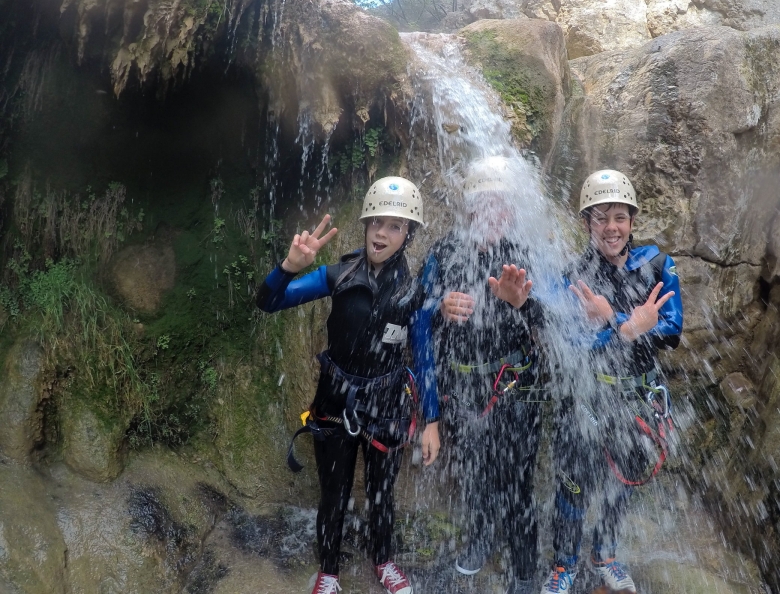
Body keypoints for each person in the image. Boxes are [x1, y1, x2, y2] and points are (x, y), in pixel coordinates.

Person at [255, 176, 441, 594]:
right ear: (365, 223)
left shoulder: (415, 292)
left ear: (408, 234)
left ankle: (384, 560)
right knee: (334, 492)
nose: (382, 233)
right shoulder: (336, 275)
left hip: (388, 404)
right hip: (336, 400)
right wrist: (288, 268)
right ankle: (329, 571)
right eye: (377, 222)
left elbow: (425, 356)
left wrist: (431, 420)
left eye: (395, 226)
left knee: (381, 492)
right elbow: (268, 302)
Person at [540, 169, 683, 594]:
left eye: (619, 217)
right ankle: (563, 564)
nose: (611, 228)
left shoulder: (657, 264)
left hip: (636, 395)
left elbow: (673, 331)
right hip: (589, 393)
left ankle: (606, 554)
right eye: (600, 218)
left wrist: (619, 321)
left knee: (623, 480)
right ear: (587, 224)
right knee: (575, 481)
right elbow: (572, 343)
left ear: (632, 221)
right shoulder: (577, 276)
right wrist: (623, 327)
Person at [413, 156, 544, 594]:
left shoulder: (523, 255)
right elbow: (415, 314)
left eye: (500, 205)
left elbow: (552, 328)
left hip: (512, 388)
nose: (491, 213)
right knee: (474, 473)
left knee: (518, 481)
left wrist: (521, 302)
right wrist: (440, 307)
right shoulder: (444, 252)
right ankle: (482, 538)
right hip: (463, 388)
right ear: (469, 208)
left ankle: (525, 567)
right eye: (482, 203)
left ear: (510, 210)